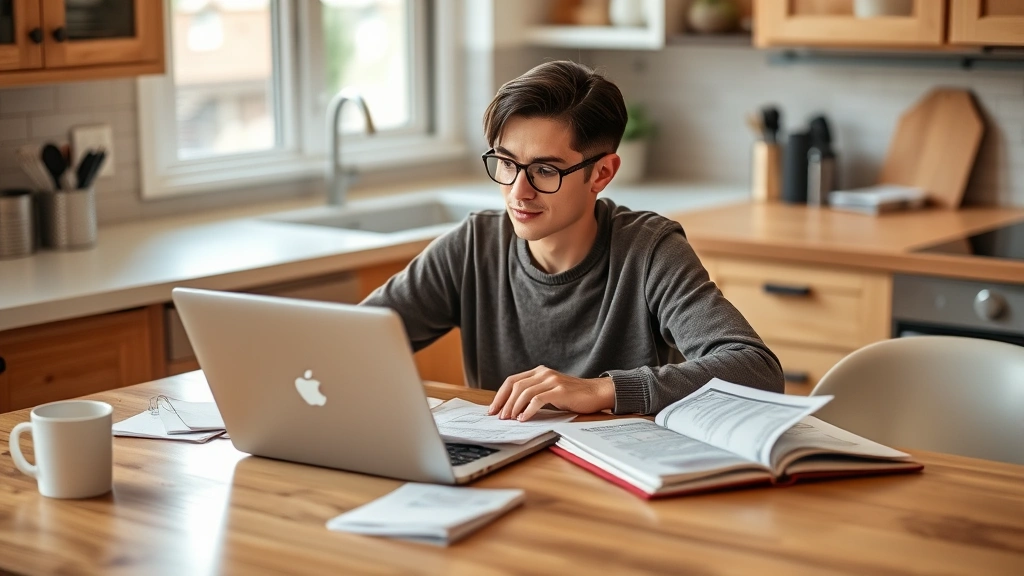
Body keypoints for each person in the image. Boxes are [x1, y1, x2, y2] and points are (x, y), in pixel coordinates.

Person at [362, 60, 783, 421]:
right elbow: (350, 340)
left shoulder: (650, 251)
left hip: (623, 484)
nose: (518, 191)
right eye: (506, 163)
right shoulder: (473, 246)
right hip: (504, 469)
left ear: (601, 173)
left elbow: (756, 369)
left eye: (545, 170)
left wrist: (601, 390)